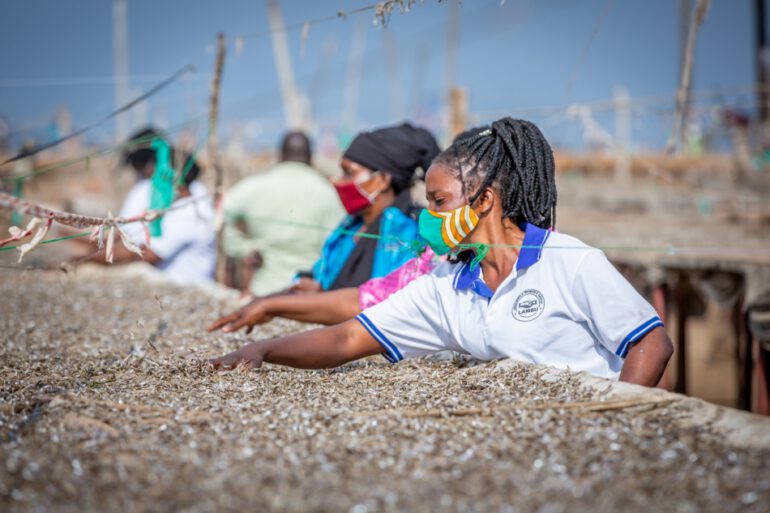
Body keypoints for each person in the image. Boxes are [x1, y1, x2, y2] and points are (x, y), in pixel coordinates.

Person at [210, 118, 673, 386]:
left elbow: (651, 344)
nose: (428, 217)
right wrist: (265, 349)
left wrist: (616, 419)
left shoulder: (570, 261)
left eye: (439, 202)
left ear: (484, 200)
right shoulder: (446, 283)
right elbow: (349, 338)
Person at [77, 127, 216, 284]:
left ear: (176, 182)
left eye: (159, 177)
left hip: (183, 286)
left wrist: (80, 259)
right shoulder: (180, 204)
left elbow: (143, 254)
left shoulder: (189, 215)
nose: (153, 183)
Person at [206, 246, 440, 333]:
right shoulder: (348, 226)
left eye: (438, 200)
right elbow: (366, 298)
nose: (338, 182)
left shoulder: (406, 237)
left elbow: (372, 306)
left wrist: (273, 305)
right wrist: (271, 304)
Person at [222, 132, 343, 295]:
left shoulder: (254, 186)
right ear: (310, 156)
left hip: (264, 291)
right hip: (307, 294)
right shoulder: (328, 192)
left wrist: (243, 247)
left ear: (280, 154)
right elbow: (337, 244)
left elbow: (220, 214)